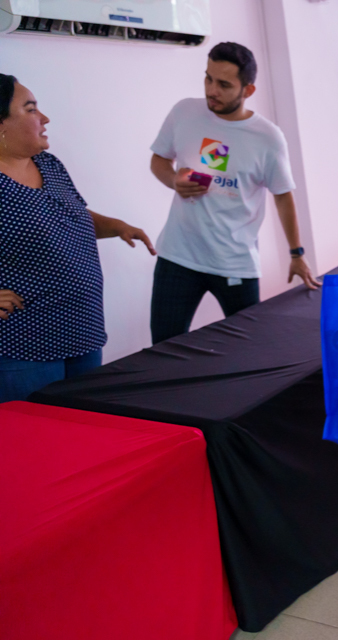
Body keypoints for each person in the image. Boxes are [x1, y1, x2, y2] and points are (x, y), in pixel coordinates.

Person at [149, 42, 320, 345]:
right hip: (178, 257)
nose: (212, 90)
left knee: (249, 352)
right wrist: (174, 179)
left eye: (224, 84)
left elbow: (283, 195)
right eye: (208, 78)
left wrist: (297, 254)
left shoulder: (267, 137)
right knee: (162, 353)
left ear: (248, 90)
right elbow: (159, 160)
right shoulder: (184, 111)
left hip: (235, 261)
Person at [0, 74, 156, 403]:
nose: (44, 119)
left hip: (82, 331)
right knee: (35, 445)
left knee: (82, 438)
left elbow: (71, 217)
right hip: (24, 347)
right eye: (30, 110)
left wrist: (115, 226)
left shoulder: (49, 164)